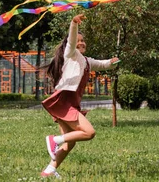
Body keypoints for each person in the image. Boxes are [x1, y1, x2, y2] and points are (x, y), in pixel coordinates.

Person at [40, 14, 118, 177]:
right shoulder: (70, 55)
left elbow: (102, 64)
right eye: (78, 40)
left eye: (83, 41)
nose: (81, 42)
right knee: (89, 133)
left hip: (70, 104)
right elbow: (72, 39)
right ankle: (54, 140)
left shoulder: (87, 61)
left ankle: (49, 170)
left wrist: (112, 62)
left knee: (70, 142)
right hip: (64, 102)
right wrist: (74, 23)